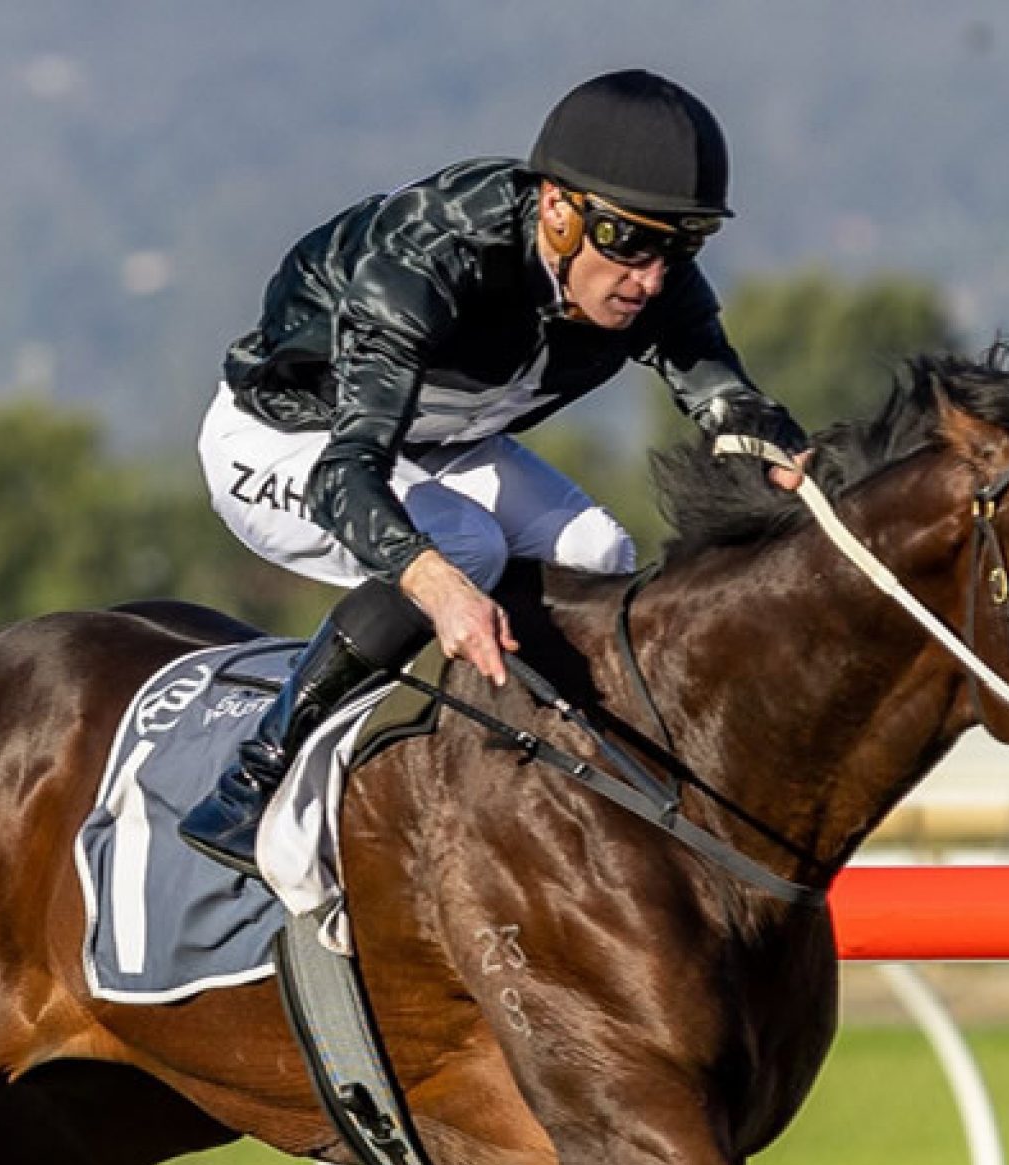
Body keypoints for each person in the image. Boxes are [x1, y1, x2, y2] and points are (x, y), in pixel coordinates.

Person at [180, 68, 810, 876]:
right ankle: (256, 776)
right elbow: (350, 470)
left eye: (680, 246)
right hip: (287, 442)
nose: (651, 276)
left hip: (439, 445)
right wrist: (437, 587)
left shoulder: (650, 280)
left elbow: (728, 401)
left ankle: (542, 788)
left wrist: (802, 465)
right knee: (464, 547)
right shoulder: (429, 256)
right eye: (630, 242)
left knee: (596, 551)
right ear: (556, 208)